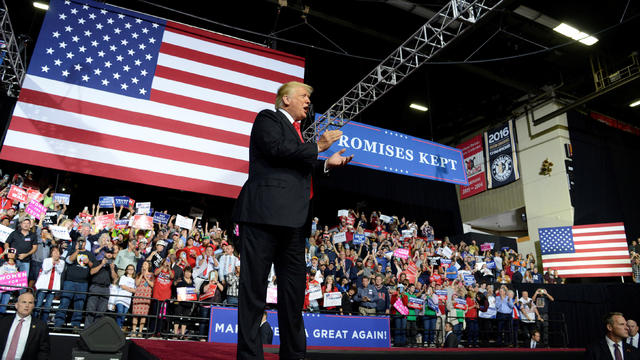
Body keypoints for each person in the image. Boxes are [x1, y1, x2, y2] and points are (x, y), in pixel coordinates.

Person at [232, 81, 352, 360]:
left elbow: (297, 163)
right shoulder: (268, 119)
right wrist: (318, 146)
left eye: (310, 97)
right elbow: (277, 150)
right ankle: (250, 357)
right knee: (254, 293)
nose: (309, 101)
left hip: (296, 225)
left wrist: (324, 163)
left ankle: (294, 354)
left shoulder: (299, 135)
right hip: (263, 217)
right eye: (304, 96)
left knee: (293, 295)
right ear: (285, 100)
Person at [54, 237, 95, 329]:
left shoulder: (90, 254)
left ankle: (75, 325)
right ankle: (58, 323)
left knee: (79, 305)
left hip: (83, 283)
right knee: (64, 302)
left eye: (83, 242)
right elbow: (69, 260)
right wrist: (77, 251)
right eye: (79, 242)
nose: (81, 244)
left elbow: (93, 267)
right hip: (70, 282)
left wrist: (88, 262)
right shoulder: (72, 251)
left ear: (85, 243)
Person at [0, 292, 50, 360]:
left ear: (33, 306)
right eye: (24, 302)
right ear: (16, 305)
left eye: (30, 303)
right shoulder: (3, 321)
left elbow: (44, 352)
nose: (27, 305)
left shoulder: (41, 326)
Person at [85, 248, 117, 327]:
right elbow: (92, 272)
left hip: (106, 289)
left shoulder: (114, 266)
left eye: (111, 253)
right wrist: (101, 265)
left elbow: (115, 278)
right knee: (90, 311)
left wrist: (112, 269)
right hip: (95, 287)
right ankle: (87, 331)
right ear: (104, 254)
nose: (109, 254)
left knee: (101, 313)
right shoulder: (97, 262)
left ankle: (95, 332)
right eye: (107, 252)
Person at [4, 217, 38, 291]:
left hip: (26, 261)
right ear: (21, 224)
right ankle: (9, 296)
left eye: (28, 223)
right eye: (24, 223)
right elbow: (7, 243)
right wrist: (9, 251)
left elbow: (35, 248)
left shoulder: (33, 235)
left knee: (23, 281)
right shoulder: (14, 233)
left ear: (30, 225)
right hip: (13, 260)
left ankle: (21, 297)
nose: (26, 225)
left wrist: (26, 254)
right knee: (11, 279)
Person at [34, 246, 65, 322]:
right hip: (43, 286)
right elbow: (46, 269)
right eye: (54, 252)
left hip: (52, 287)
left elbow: (60, 270)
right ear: (51, 253)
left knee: (48, 306)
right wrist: (53, 262)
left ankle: (44, 322)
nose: (55, 253)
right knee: (38, 304)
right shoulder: (46, 260)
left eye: (57, 252)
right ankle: (34, 319)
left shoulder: (62, 262)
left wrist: (57, 263)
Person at [131, 261, 155, 337]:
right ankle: (134, 331)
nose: (143, 265)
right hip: (138, 296)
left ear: (148, 266)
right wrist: (142, 274)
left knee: (143, 315)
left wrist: (146, 277)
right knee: (135, 314)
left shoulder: (152, 275)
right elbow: (137, 284)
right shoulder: (138, 274)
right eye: (143, 264)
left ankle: (140, 332)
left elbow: (152, 285)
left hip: (146, 296)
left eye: (145, 264)